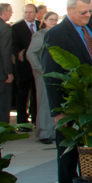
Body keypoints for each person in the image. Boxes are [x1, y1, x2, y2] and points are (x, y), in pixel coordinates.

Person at [42, 0, 92, 183]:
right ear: (69, 10)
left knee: (90, 152)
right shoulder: (56, 34)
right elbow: (50, 74)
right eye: (82, 12)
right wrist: (57, 111)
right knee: (68, 156)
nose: (88, 15)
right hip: (70, 105)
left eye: (90, 11)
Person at [26, 11, 59, 143]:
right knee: (44, 103)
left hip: (54, 73)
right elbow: (30, 53)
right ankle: (44, 133)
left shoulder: (55, 33)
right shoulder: (40, 35)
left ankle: (53, 132)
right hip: (43, 74)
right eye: (51, 19)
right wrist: (39, 68)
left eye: (56, 20)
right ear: (44, 20)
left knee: (53, 102)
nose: (54, 22)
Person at [11, 4, 40, 128]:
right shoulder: (16, 27)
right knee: (22, 93)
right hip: (23, 65)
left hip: (38, 65)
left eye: (30, 12)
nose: (28, 14)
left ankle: (36, 118)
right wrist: (18, 53)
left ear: (35, 13)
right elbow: (13, 45)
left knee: (37, 92)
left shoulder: (41, 25)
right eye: (25, 12)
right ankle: (22, 121)